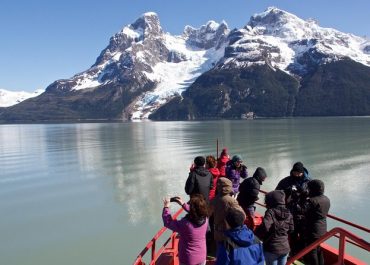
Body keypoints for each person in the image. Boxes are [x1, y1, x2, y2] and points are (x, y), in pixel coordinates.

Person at [275, 161, 311, 255]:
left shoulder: (309, 182)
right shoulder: (286, 181)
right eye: (295, 172)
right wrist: (286, 192)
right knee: (292, 233)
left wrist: (305, 193)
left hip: (304, 214)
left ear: (303, 172)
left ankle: (302, 254)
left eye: (299, 173)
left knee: (304, 235)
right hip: (290, 212)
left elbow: (315, 196)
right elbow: (277, 193)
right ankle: (294, 253)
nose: (297, 174)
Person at [162, 194, 209, 265]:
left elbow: (168, 222)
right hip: (202, 256)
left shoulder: (186, 223)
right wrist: (183, 204)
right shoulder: (205, 219)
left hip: (188, 258)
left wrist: (166, 207)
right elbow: (196, 211)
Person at [255, 190, 294, 265]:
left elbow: (265, 227)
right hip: (285, 247)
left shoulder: (271, 212)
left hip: (272, 248)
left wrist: (256, 236)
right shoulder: (289, 213)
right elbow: (291, 229)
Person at [303, 179, 330, 265]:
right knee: (318, 248)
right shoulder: (326, 199)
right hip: (322, 227)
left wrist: (303, 199)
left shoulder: (312, 201)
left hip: (313, 229)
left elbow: (303, 211)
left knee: (312, 250)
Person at [209, 177, 245, 243]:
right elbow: (242, 215)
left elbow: (209, 213)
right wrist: (234, 200)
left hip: (217, 230)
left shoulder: (214, 200)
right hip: (228, 231)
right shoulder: (231, 201)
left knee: (219, 247)